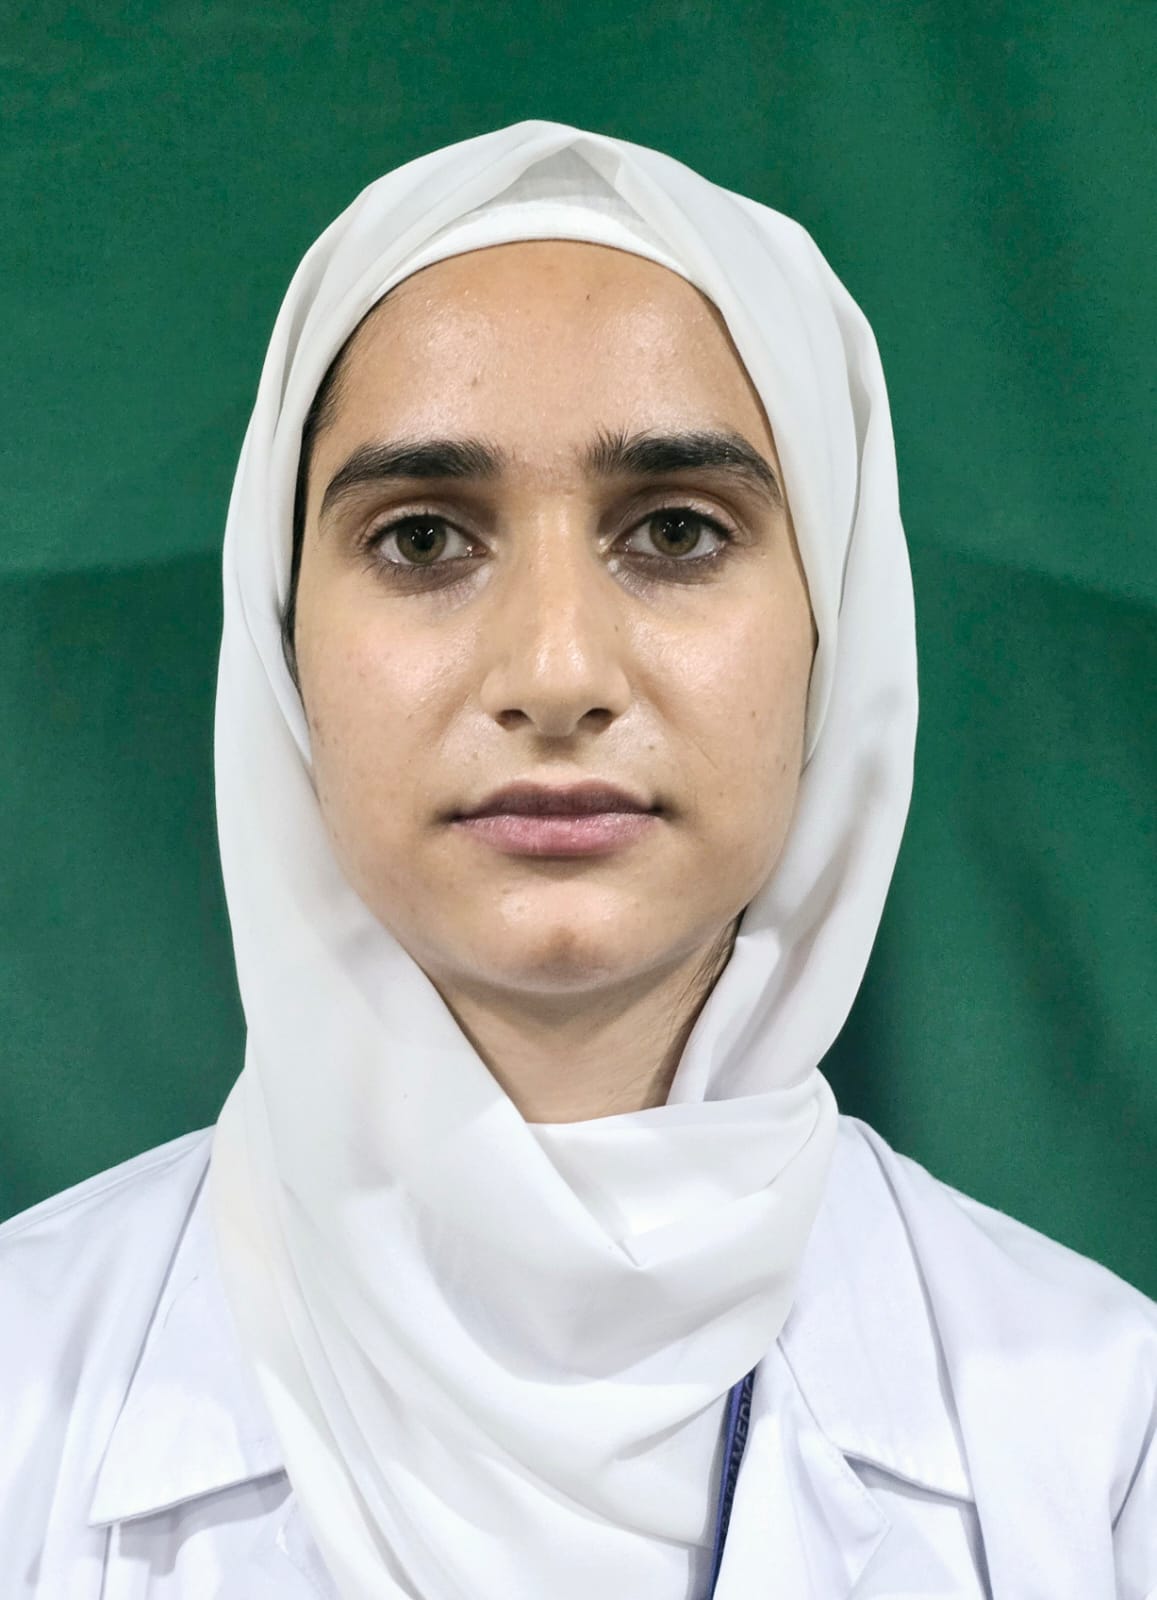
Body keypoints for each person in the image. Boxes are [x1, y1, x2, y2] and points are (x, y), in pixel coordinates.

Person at [1, 119, 1154, 1600]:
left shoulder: (1098, 1441)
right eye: (423, 541)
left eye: (675, 531)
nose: (554, 674)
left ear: (836, 631)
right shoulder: (25, 1384)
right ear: (281, 641)